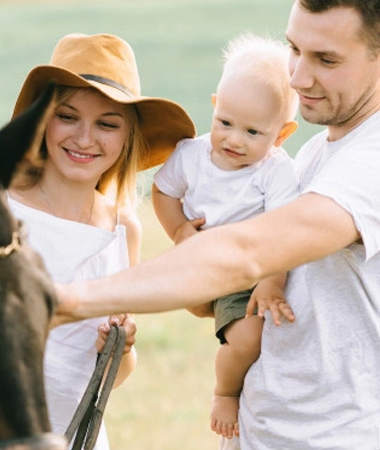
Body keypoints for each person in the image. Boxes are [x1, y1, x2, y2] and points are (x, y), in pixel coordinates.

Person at [53, 1, 380, 449]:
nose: (298, 76)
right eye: (295, 49)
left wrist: (67, 300)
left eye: (326, 59)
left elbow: (250, 252)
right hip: (261, 433)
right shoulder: (315, 154)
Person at [7, 33, 195, 449]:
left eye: (107, 124)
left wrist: (120, 346)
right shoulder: (0, 209)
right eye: (68, 116)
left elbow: (116, 375)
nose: (85, 138)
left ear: (128, 137)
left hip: (77, 439)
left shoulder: (123, 230)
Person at [151, 33, 299, 439]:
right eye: (225, 124)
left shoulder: (276, 172)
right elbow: (163, 191)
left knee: (249, 337)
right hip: (201, 261)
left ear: (282, 134)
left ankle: (226, 392)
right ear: (215, 106)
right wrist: (179, 229)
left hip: (249, 271)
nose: (234, 140)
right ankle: (225, 387)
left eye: (253, 133)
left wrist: (271, 280)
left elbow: (288, 231)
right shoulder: (191, 155)